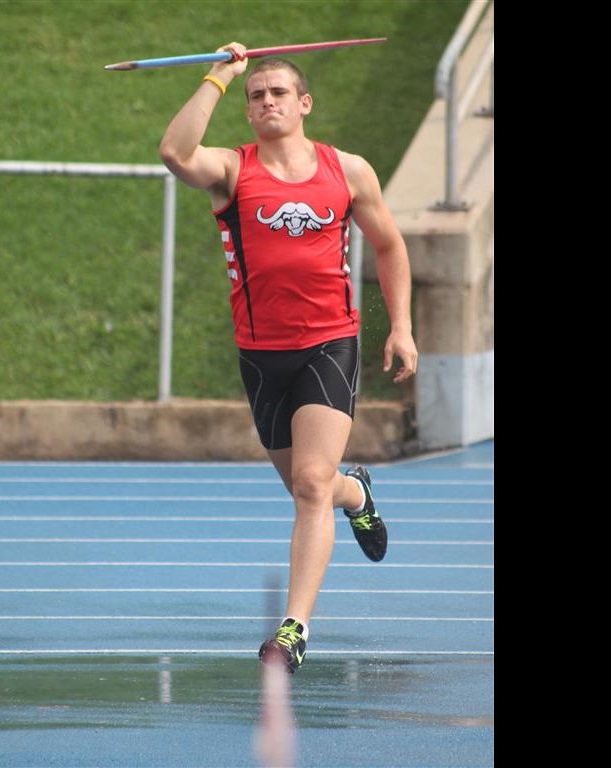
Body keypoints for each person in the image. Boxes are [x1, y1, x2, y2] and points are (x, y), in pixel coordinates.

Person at [159, 42, 418, 674]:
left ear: (305, 103)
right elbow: (175, 153)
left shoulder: (347, 170)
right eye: (257, 96)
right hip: (260, 354)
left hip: (329, 343)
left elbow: (389, 245)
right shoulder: (231, 170)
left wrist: (402, 327)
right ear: (247, 110)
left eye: (278, 92)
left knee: (308, 484)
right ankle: (356, 494)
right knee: (314, 487)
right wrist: (219, 77)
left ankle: (294, 629)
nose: (267, 101)